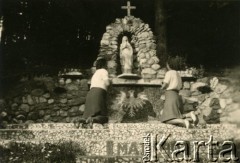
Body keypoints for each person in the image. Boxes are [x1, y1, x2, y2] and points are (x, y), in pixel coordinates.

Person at [160, 59, 196, 129]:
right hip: (176, 94)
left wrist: (161, 86)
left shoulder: (169, 73)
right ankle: (189, 115)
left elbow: (165, 84)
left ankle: (183, 121)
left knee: (166, 119)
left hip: (170, 94)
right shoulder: (177, 74)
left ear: (168, 65)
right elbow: (180, 85)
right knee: (175, 114)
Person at [74, 58, 110, 128]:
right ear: (104, 65)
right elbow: (107, 83)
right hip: (99, 93)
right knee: (103, 116)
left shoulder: (95, 74)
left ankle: (79, 120)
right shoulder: (104, 71)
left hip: (90, 94)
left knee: (87, 115)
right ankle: (93, 120)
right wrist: (110, 80)